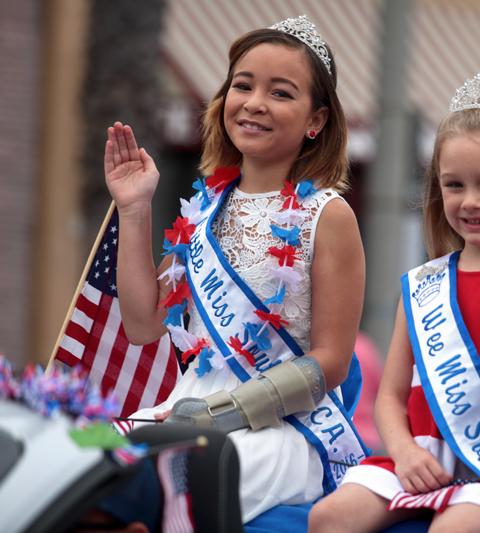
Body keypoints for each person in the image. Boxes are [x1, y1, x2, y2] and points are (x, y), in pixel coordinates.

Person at [102, 15, 367, 524]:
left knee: (165, 481)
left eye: (281, 93)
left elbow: (331, 362)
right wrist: (135, 210)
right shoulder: (203, 209)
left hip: (278, 429)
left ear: (316, 121)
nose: (255, 102)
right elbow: (141, 324)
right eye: (242, 85)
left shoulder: (328, 216)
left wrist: (221, 415)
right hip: (180, 410)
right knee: (78, 461)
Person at [309, 74, 480, 533]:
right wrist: (403, 451)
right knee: (329, 517)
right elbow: (391, 396)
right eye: (454, 185)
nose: (470, 200)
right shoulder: (423, 285)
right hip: (426, 457)